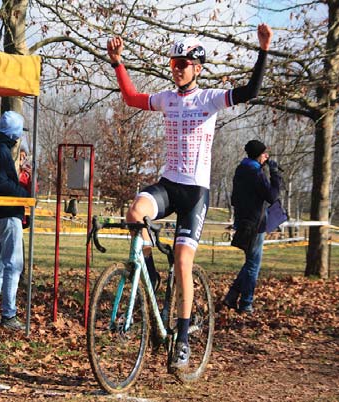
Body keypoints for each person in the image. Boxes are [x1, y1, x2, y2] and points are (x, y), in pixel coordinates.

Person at [107, 24, 273, 368]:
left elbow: (251, 91)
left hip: (195, 192)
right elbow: (130, 98)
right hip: (169, 184)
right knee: (135, 213)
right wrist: (117, 63)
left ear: (197, 67)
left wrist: (263, 51)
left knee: (183, 263)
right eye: (173, 63)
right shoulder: (167, 99)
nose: (177, 68)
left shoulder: (209, 98)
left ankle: (182, 339)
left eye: (184, 63)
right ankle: (149, 272)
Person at [0, 111, 30, 331]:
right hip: (8, 213)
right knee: (13, 265)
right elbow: (2, 184)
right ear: (13, 134)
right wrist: (23, 196)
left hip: (0, 214)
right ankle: (8, 314)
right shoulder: (1, 151)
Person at [223, 140, 282, 314]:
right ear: (258, 154)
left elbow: (236, 198)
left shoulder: (241, 169)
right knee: (253, 265)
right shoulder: (255, 172)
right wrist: (275, 173)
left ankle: (232, 296)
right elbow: (272, 195)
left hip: (244, 221)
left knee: (250, 262)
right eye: (264, 153)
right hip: (255, 224)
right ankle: (246, 304)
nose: (267, 156)